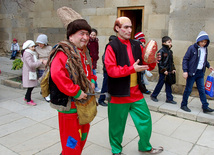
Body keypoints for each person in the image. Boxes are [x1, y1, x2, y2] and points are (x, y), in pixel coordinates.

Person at [105, 16, 163, 155]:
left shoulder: (137, 45)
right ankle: (116, 150)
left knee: (145, 120)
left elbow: (146, 65)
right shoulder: (111, 46)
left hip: (136, 92)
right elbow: (111, 71)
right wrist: (132, 69)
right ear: (117, 28)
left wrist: (153, 60)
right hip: (118, 94)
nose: (129, 30)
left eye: (131, 27)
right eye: (126, 27)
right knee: (116, 126)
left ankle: (144, 146)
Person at [51, 7, 97, 155]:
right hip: (70, 105)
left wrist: (93, 81)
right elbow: (58, 76)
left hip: (84, 105)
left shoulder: (84, 52)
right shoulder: (63, 53)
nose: (85, 37)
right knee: (72, 141)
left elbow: (89, 71)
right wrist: (76, 92)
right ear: (71, 36)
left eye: (87, 34)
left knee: (82, 135)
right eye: (81, 34)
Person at [181, 31, 214, 113]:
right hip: (192, 73)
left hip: (200, 73)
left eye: (205, 42)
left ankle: (205, 107)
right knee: (188, 89)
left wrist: (208, 66)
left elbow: (204, 60)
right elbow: (185, 59)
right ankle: (183, 105)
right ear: (198, 40)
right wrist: (185, 71)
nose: (203, 43)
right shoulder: (192, 48)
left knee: (202, 90)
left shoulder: (205, 49)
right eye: (202, 41)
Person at [150, 36, 177, 104]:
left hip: (169, 71)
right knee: (160, 84)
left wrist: (173, 69)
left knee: (168, 84)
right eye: (169, 42)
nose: (170, 43)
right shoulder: (161, 51)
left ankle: (169, 98)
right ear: (164, 43)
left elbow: (171, 62)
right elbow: (160, 63)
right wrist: (163, 70)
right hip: (163, 72)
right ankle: (154, 95)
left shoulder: (170, 51)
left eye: (170, 42)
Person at [22, 40, 45, 106]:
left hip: (30, 72)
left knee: (31, 86)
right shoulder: (27, 54)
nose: (33, 48)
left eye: (34, 46)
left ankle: (26, 97)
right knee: (30, 86)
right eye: (32, 47)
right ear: (28, 47)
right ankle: (28, 100)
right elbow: (31, 64)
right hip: (29, 72)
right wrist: (40, 62)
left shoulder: (30, 53)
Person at [98, 35, 117, 106]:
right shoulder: (109, 47)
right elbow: (105, 59)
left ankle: (109, 99)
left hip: (112, 71)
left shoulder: (113, 47)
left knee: (110, 87)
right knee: (105, 86)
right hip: (107, 71)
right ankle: (101, 100)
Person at [35, 34, 52, 102]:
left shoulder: (50, 48)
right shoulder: (36, 49)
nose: (40, 45)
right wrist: (41, 61)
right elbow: (35, 58)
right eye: (38, 43)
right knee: (43, 81)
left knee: (49, 81)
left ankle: (46, 92)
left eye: (41, 43)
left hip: (48, 67)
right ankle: (45, 94)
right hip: (41, 68)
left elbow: (52, 57)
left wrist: (47, 61)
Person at [87, 28, 101, 92]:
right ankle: (95, 86)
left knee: (93, 73)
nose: (92, 36)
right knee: (93, 74)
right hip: (89, 60)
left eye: (94, 35)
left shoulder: (96, 41)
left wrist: (96, 56)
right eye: (91, 34)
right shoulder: (87, 41)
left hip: (94, 60)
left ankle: (94, 87)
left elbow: (97, 50)